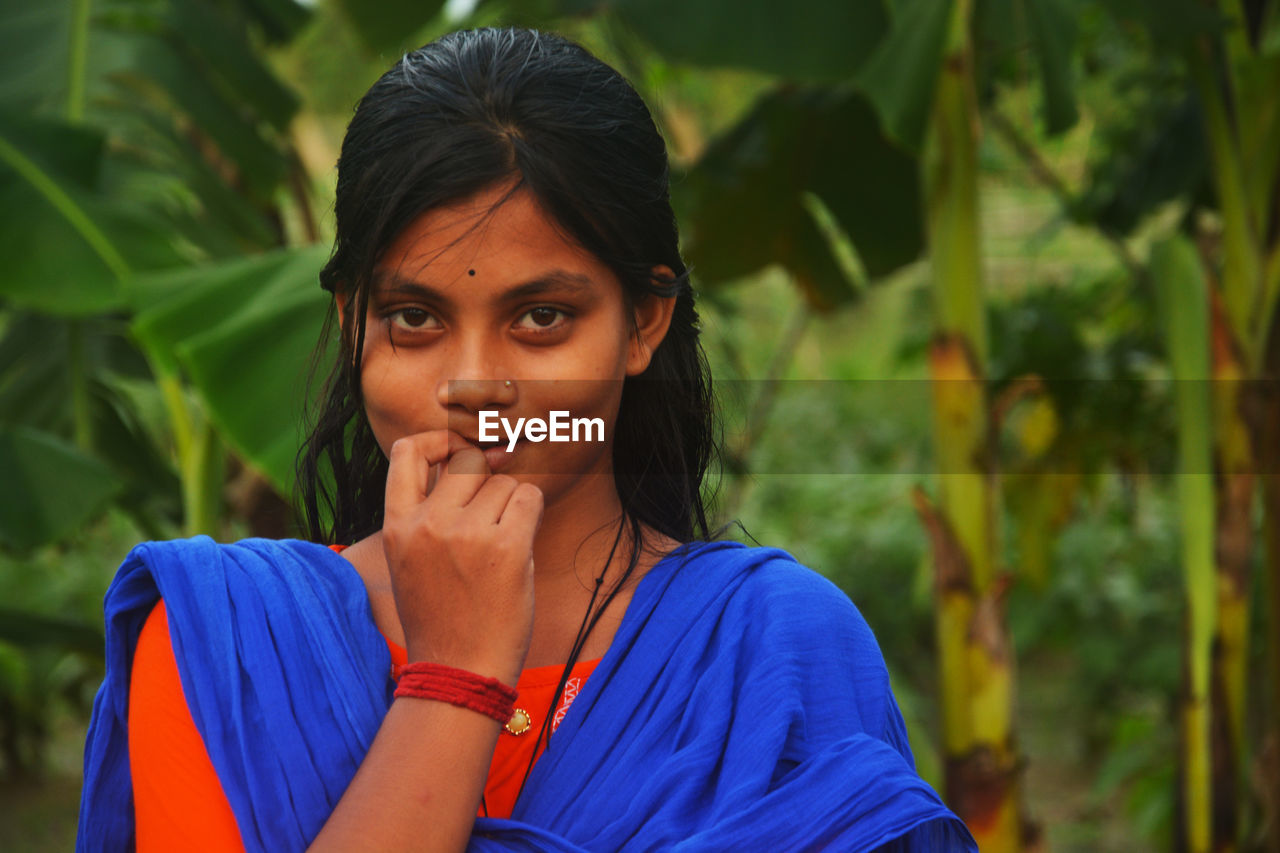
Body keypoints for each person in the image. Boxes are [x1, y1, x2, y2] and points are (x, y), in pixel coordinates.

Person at [77, 27, 977, 853]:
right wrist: (453, 679)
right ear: (354, 327)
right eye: (415, 317)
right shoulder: (224, 649)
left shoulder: (774, 651)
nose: (473, 383)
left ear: (642, 323)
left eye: (541, 316)